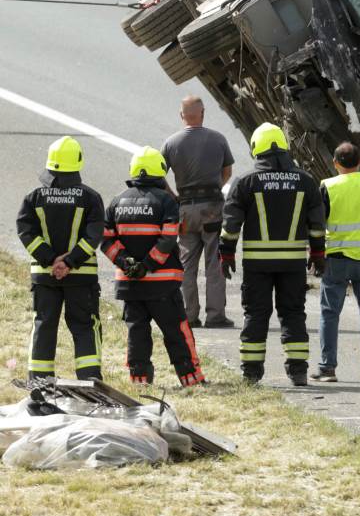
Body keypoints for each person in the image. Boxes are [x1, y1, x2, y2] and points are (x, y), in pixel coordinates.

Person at [219, 123, 325, 386]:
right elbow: (317, 223)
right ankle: (298, 371)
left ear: (256, 149)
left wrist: (226, 254)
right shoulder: (305, 181)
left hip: (258, 264)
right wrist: (318, 253)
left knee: (256, 314)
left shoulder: (246, 182)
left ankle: (252, 373)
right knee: (293, 313)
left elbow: (231, 224)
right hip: (293, 263)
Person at [101, 147, 205, 387]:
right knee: (177, 331)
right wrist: (146, 265)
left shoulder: (117, 201)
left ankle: (139, 379)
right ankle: (190, 378)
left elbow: (105, 239)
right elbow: (169, 238)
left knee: (137, 332)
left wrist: (126, 263)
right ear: (159, 172)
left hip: (131, 284)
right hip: (162, 283)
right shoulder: (166, 200)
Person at [17, 137, 106, 381]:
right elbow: (94, 236)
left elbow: (26, 232)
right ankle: (89, 382)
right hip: (81, 277)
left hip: (44, 276)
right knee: (85, 327)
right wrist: (69, 262)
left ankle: (39, 382)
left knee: (44, 325)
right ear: (78, 161)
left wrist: (50, 260)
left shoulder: (34, 197)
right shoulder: (90, 198)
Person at [312, 142, 360, 384]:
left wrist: (315, 254)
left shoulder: (327, 186)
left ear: (335, 163)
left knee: (329, 314)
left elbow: (316, 224)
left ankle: (327, 369)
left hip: (335, 259)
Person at [162, 95, 235, 330]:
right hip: (212, 207)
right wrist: (215, 186)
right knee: (214, 263)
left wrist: (174, 196)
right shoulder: (218, 139)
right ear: (202, 113)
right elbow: (227, 171)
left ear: (181, 115)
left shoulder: (171, 143)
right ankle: (216, 316)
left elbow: (157, 174)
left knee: (186, 263)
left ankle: (188, 314)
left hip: (185, 208)